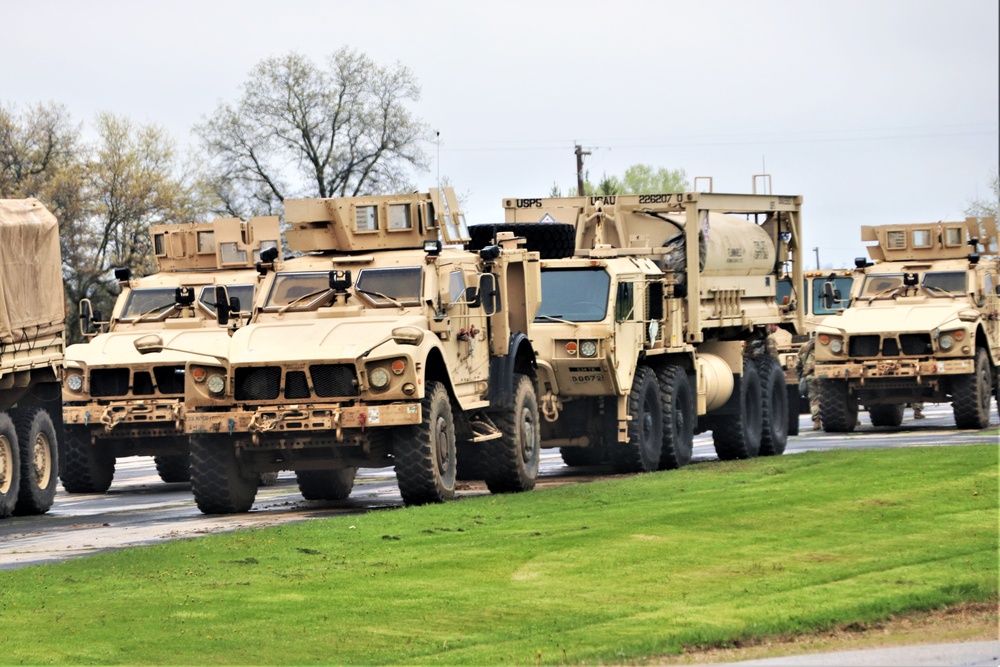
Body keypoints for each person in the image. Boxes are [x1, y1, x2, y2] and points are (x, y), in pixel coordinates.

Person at [797, 339, 821, 430]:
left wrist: (800, 376)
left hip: (810, 375)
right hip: (826, 375)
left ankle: (817, 421)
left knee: (814, 399)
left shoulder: (805, 346)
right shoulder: (831, 342)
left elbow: (798, 364)